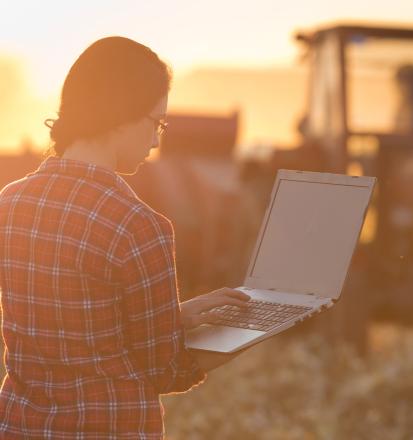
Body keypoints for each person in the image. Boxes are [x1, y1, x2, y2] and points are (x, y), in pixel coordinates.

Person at [0, 36, 250, 439]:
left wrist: (173, 315)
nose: (156, 140)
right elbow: (166, 371)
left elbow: (70, 322)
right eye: (157, 123)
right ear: (122, 115)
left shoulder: (9, 205)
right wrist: (248, 333)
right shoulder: (138, 226)